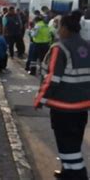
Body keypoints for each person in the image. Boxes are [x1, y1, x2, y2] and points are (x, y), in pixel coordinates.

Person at [34, 11, 90, 180]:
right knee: (73, 142)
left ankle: (79, 175)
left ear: (65, 28)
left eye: (59, 27)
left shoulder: (60, 48)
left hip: (63, 107)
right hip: (82, 107)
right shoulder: (87, 46)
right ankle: (67, 171)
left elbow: (52, 78)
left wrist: (40, 99)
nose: (57, 31)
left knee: (67, 146)